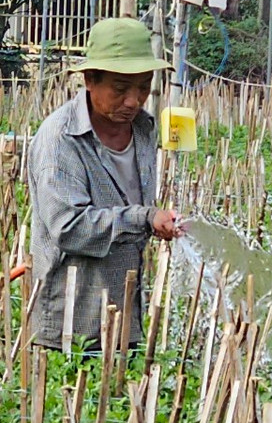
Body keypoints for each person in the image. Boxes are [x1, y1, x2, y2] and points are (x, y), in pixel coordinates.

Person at [28, 17, 185, 352]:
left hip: (126, 316)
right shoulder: (61, 139)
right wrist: (143, 218)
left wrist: (158, 222)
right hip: (71, 327)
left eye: (143, 87)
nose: (133, 101)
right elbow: (69, 228)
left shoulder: (144, 130)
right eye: (120, 89)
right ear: (90, 80)